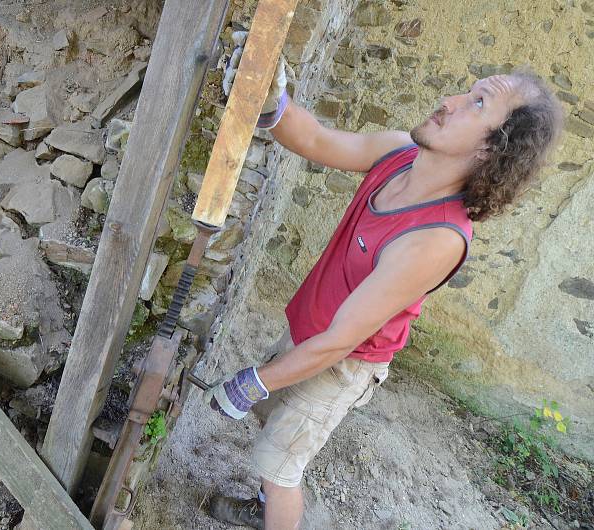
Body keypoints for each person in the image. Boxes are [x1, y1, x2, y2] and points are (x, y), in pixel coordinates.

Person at [205, 32, 563, 530]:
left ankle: (274, 514)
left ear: (490, 149)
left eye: (476, 103)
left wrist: (252, 382)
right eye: (467, 90)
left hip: (342, 363)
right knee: (275, 430)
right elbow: (316, 140)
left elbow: (339, 343)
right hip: (316, 333)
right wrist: (272, 101)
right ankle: (263, 507)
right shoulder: (400, 153)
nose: (449, 101)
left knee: (281, 468)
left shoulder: (436, 238)